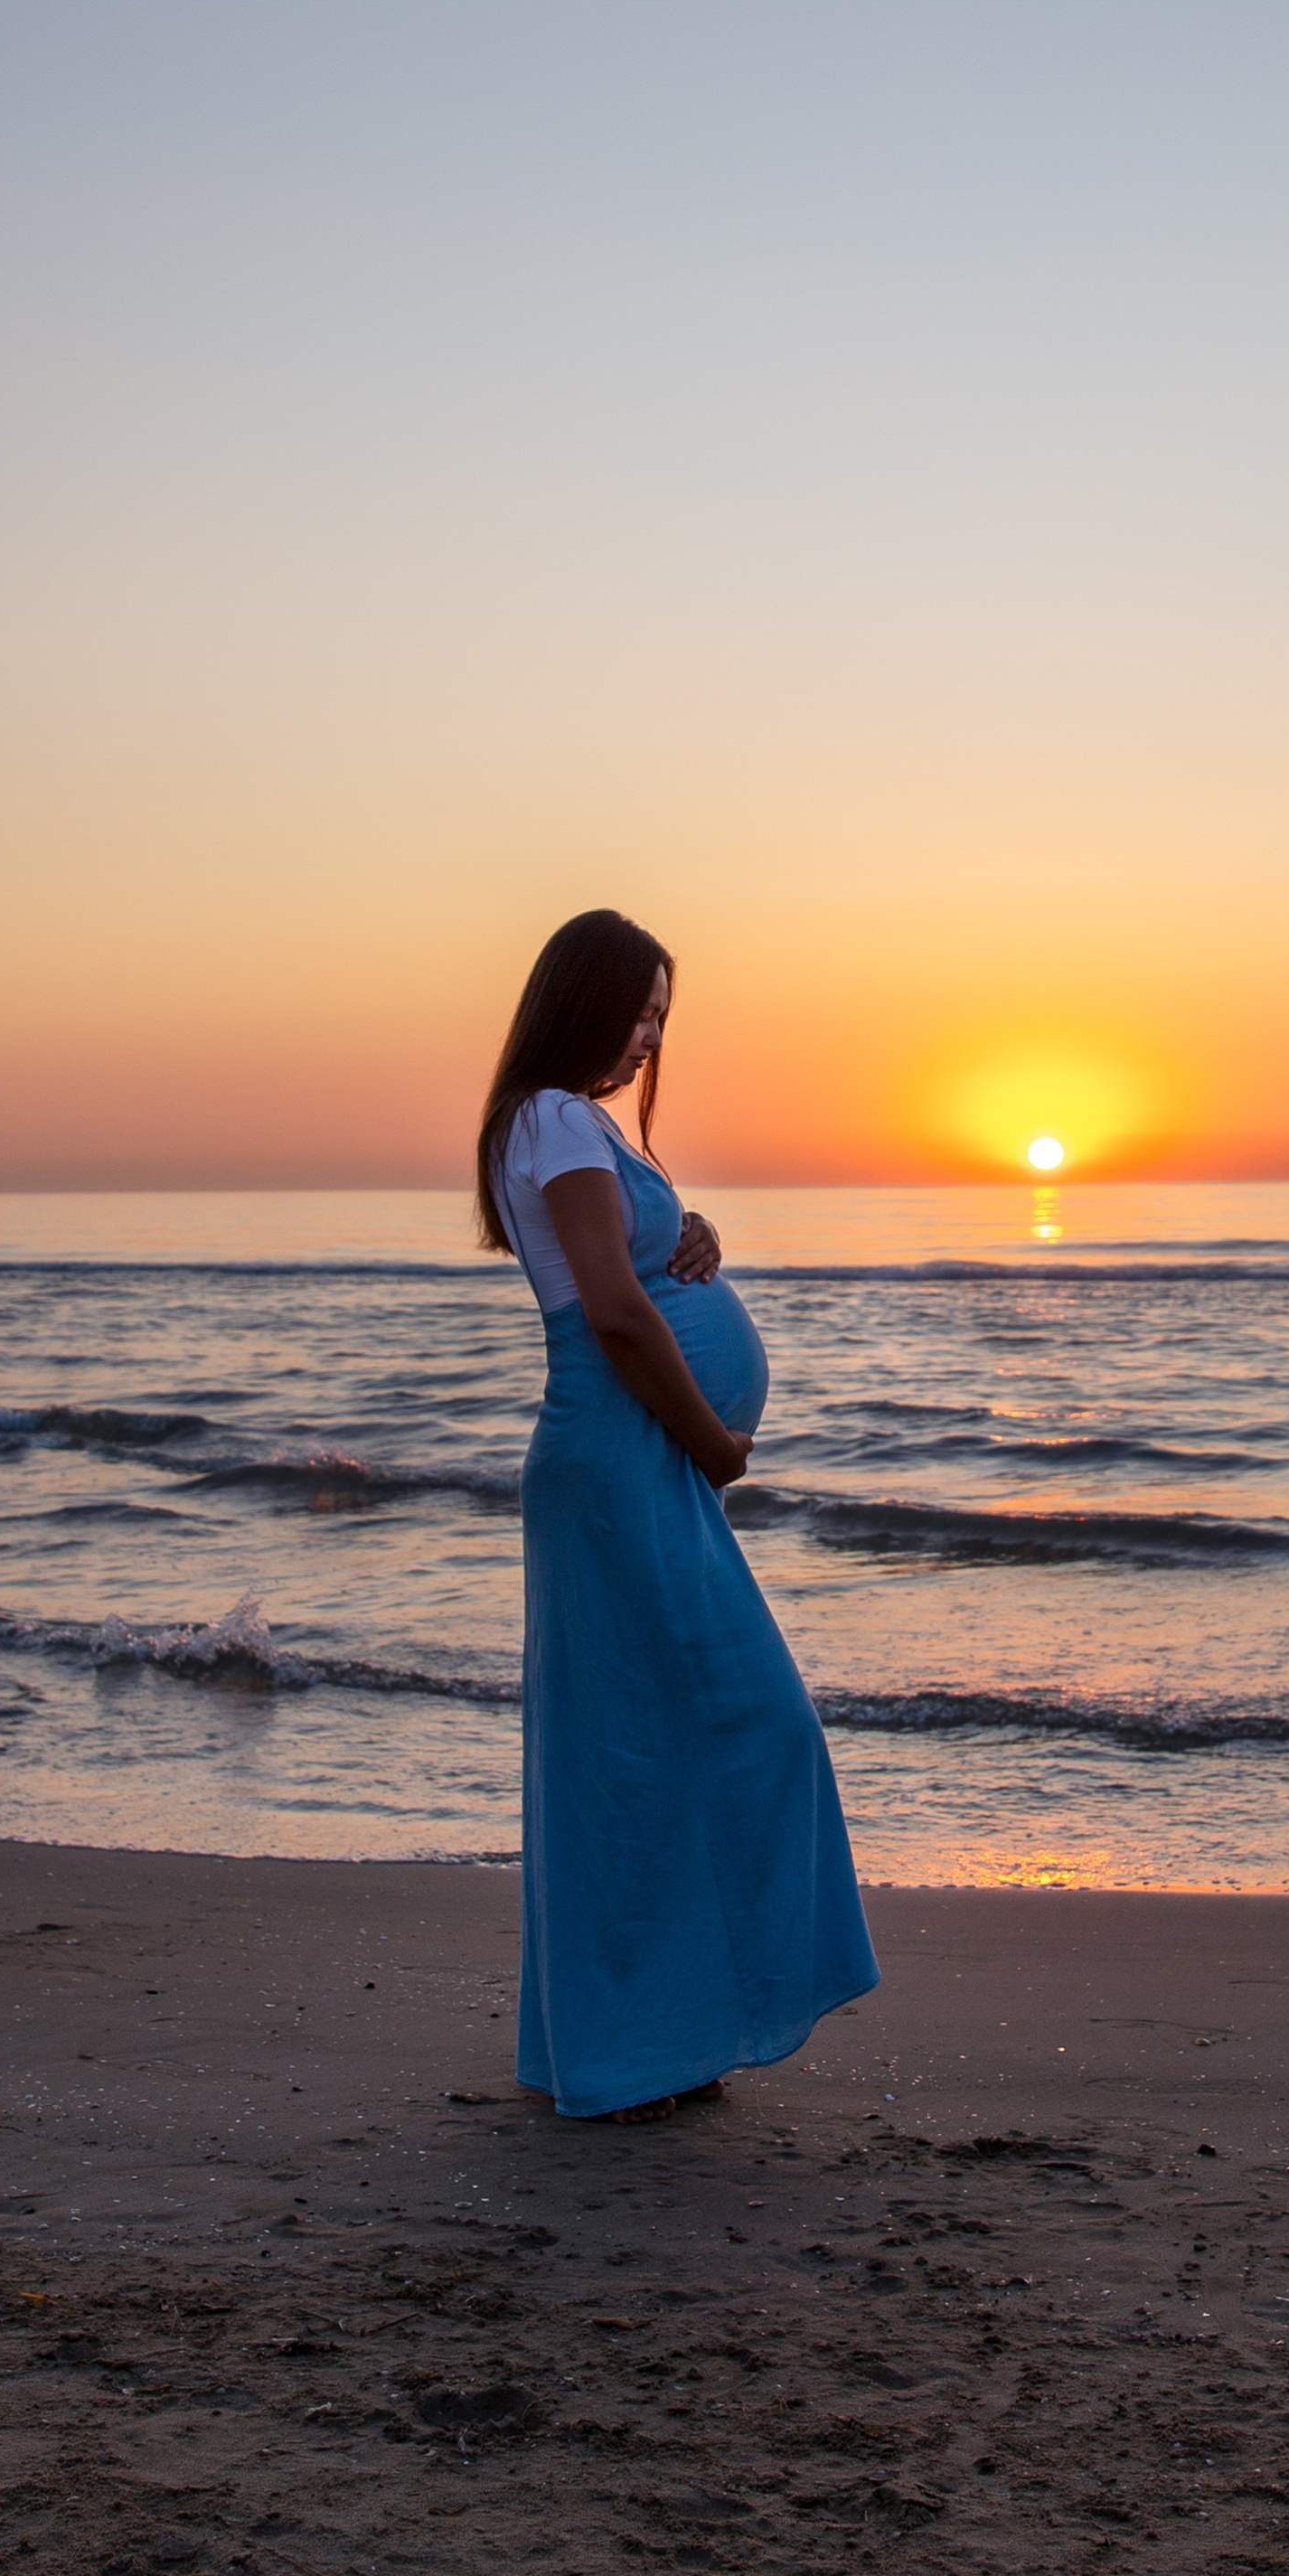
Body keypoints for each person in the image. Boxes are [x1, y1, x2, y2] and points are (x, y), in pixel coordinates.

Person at [477, 907, 879, 2121]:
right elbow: (609, 1310)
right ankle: (637, 2043)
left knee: (650, 1738)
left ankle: (657, 2036)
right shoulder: (551, 1116)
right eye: (637, 1012)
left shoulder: (576, 1128)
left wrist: (690, 1233)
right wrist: (711, 1439)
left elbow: (636, 1266)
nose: (649, 1039)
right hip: (619, 1450)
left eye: (663, 1019)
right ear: (580, 1003)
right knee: (713, 1728)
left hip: (627, 1456)